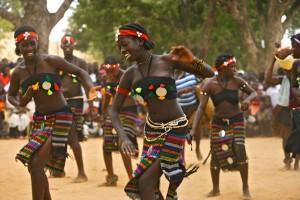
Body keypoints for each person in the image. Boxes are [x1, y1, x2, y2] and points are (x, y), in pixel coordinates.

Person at [111, 23, 214, 200]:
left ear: (140, 41)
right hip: (152, 132)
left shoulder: (168, 61)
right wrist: (123, 137)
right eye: (119, 46)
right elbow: (113, 111)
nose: (122, 49)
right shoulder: (129, 75)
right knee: (145, 184)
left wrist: (191, 59)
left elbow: (209, 73)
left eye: (125, 44)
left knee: (145, 181)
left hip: (175, 128)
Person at [8, 26, 96, 200]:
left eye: (32, 43)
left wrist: (89, 87)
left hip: (61, 116)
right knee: (34, 165)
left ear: (37, 42)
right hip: (40, 119)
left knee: (36, 164)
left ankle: (81, 171)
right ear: (18, 47)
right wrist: (19, 104)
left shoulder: (51, 61)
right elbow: (11, 95)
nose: (29, 48)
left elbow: (80, 72)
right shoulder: (18, 72)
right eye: (24, 45)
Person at [189, 54, 257, 199]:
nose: (234, 69)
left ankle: (245, 187)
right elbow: (201, 108)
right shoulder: (209, 84)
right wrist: (194, 129)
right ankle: (215, 189)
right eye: (231, 67)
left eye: (234, 66)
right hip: (219, 123)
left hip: (236, 121)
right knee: (216, 153)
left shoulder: (237, 81)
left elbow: (253, 93)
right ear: (221, 68)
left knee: (239, 147)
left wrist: (247, 100)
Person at [52, 34, 89, 182]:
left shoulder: (80, 63)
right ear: (61, 46)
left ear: (74, 46)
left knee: (72, 135)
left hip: (76, 101)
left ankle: (82, 173)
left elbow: (86, 83)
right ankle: (58, 169)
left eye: (70, 44)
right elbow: (53, 83)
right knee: (59, 135)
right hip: (59, 102)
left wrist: (91, 104)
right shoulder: (56, 63)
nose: (67, 47)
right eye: (65, 44)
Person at [100, 56, 139, 186]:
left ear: (118, 67)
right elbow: (106, 96)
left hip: (129, 110)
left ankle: (131, 179)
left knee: (123, 141)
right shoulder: (105, 78)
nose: (110, 73)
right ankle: (111, 177)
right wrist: (103, 112)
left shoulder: (126, 76)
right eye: (108, 70)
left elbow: (136, 94)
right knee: (107, 142)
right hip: (114, 112)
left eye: (113, 70)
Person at [265, 33, 300, 170]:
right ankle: (288, 161)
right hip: (288, 108)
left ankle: (295, 163)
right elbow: (268, 80)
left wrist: (280, 53)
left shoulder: (294, 70)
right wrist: (273, 59)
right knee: (287, 135)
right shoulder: (285, 78)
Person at [175, 70, 203, 160]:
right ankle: (182, 158)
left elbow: (201, 85)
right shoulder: (171, 77)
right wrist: (177, 93)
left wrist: (191, 89)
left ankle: (197, 148)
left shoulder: (191, 75)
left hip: (194, 107)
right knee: (181, 133)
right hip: (179, 109)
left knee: (196, 128)